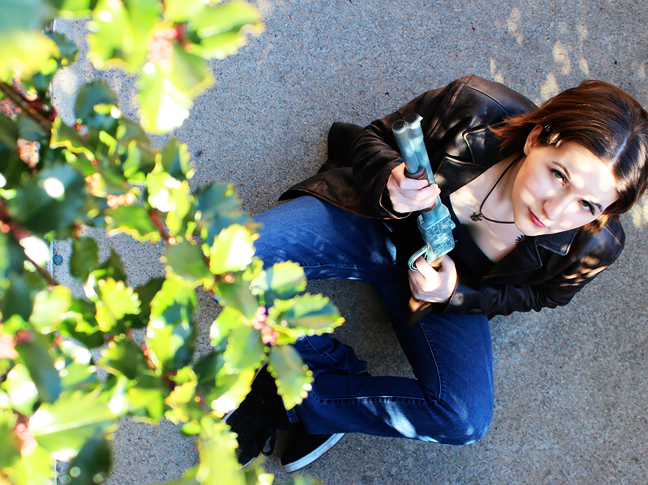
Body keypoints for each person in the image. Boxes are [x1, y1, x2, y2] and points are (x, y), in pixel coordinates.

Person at [225, 74, 648, 472]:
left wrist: (455, 294)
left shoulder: (595, 246)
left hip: (438, 293)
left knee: (462, 417)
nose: (554, 211)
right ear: (537, 138)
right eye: (558, 175)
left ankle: (302, 398)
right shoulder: (474, 107)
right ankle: (321, 361)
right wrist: (390, 179)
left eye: (587, 205)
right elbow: (375, 137)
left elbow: (542, 296)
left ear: (605, 211)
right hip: (374, 221)